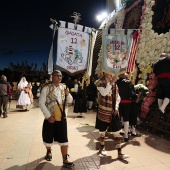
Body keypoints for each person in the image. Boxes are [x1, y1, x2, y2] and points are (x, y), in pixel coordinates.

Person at [39, 70, 74, 168]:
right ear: (52, 77)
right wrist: (48, 116)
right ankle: (49, 151)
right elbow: (41, 103)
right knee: (48, 137)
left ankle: (65, 159)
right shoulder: (46, 88)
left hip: (62, 117)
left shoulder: (64, 87)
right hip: (50, 117)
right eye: (57, 76)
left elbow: (70, 101)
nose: (59, 77)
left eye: (61, 76)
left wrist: (68, 94)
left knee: (63, 138)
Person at [95, 72, 129, 159]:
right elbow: (104, 93)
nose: (111, 74)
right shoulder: (100, 82)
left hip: (113, 111)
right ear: (105, 72)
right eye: (109, 72)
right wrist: (111, 83)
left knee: (117, 132)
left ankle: (120, 153)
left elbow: (118, 97)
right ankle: (102, 147)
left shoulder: (114, 83)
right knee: (102, 131)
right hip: (103, 110)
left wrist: (117, 107)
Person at [117, 73, 141, 142]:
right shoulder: (128, 82)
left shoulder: (116, 82)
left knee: (119, 118)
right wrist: (136, 96)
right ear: (124, 76)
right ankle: (126, 136)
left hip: (118, 103)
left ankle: (117, 134)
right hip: (126, 103)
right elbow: (131, 94)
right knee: (126, 119)